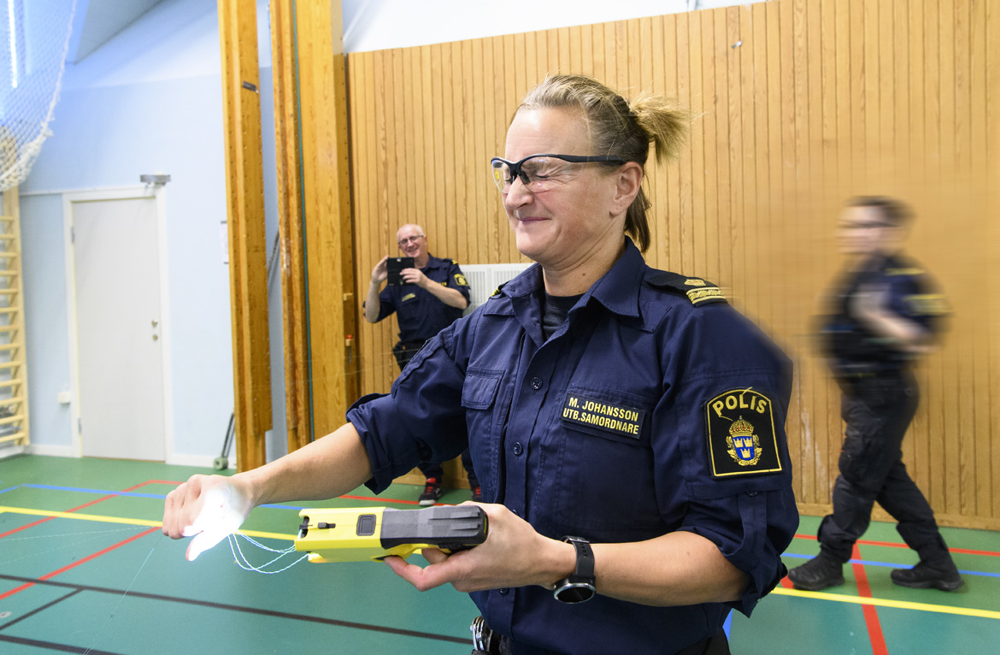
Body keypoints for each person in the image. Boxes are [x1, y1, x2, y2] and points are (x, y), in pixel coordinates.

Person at [163, 75, 798, 655]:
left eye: (544, 171)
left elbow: (733, 555)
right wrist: (248, 487)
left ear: (622, 186)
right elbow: (383, 430)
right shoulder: (492, 326)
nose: (518, 194)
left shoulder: (700, 335)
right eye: (509, 171)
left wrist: (557, 561)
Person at [787, 197, 960, 593]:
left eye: (864, 226)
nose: (851, 234)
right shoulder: (863, 274)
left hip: (884, 395)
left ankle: (830, 561)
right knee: (888, 482)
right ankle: (938, 565)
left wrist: (876, 316)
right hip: (865, 395)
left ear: (889, 232)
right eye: (849, 226)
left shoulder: (901, 277)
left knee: (856, 479)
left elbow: (923, 339)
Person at [364, 224, 479, 504]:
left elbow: (462, 300)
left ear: (425, 240)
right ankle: (431, 479)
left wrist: (425, 282)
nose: (409, 244)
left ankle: (477, 484)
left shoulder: (447, 268)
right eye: (403, 241)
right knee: (418, 418)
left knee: (467, 416)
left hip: (453, 356)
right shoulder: (397, 279)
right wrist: (374, 282)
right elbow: (371, 315)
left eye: (413, 238)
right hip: (415, 359)